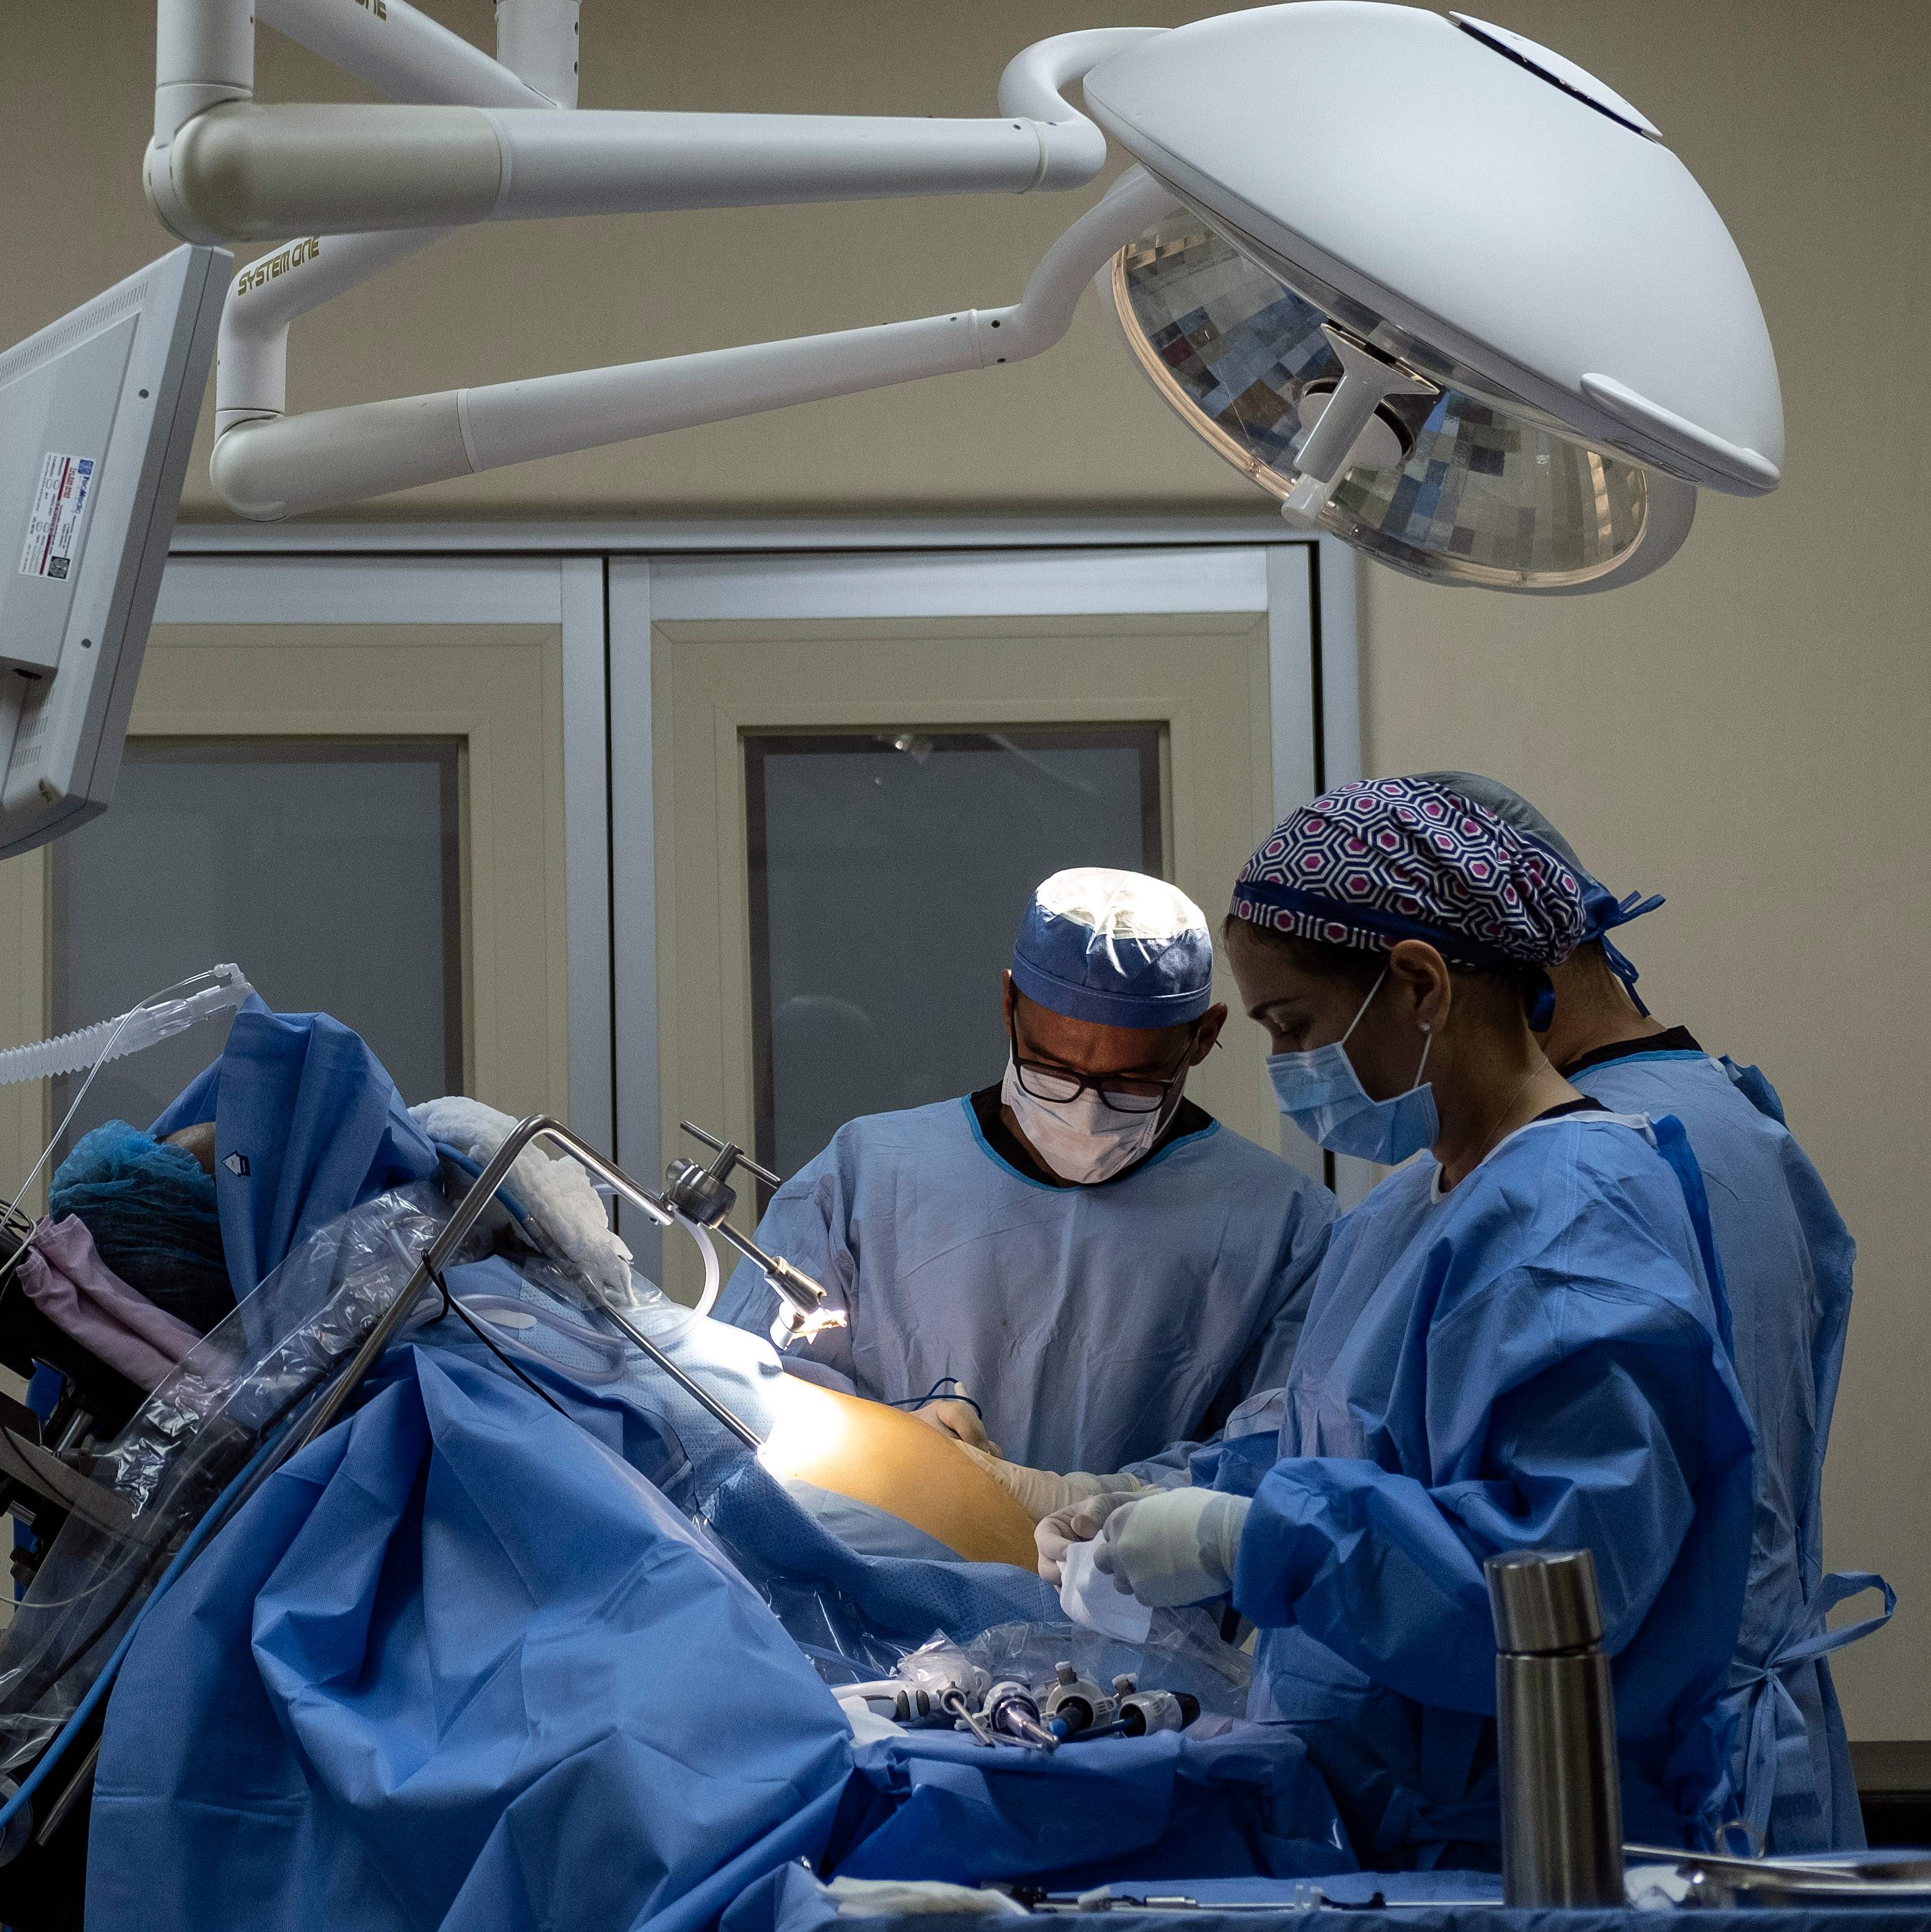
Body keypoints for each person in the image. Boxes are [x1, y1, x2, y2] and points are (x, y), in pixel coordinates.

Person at [1080, 778, 1757, 1863]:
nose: (1284, 1069)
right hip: (1388, 1820)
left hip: (1530, 1838)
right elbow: (1350, 1443)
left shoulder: (1572, 1211)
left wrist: (1250, 1542)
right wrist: (1181, 1502)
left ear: (1417, 982)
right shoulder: (1410, 1203)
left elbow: (1556, 1580)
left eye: (1291, 1025)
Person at [1411, 770, 1876, 1853]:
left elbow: (1572, 1541)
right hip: (1738, 1754)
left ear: (1434, 979)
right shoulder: (1719, 1112)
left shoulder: (1579, 1169)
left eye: (1321, 1017)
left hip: (1637, 1786)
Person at [709, 866, 1337, 1490]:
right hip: (879, 1572)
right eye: (1052, 1069)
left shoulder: (1282, 1221)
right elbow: (739, 1394)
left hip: (1135, 1584)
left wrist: (1107, 1505)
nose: (1084, 1110)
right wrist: (891, 1445)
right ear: (1008, 1002)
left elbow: (1285, 1443)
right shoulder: (865, 1173)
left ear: (1202, 1036)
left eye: (1129, 1083)